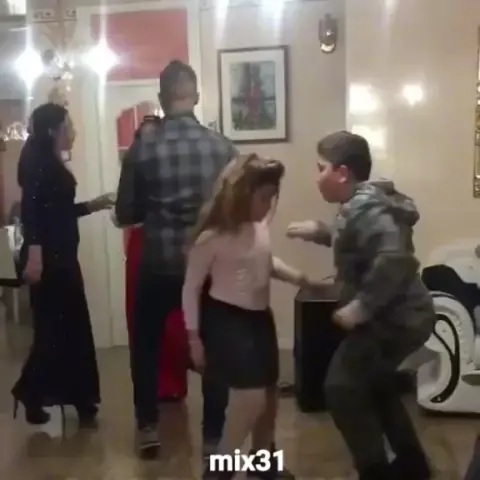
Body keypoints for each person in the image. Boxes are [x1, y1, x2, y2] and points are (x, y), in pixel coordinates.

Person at [287, 131, 434, 480]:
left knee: (342, 388)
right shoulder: (362, 204)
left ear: (342, 173)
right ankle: (412, 465)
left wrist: (361, 308)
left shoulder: (367, 207)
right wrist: (321, 232)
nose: (316, 177)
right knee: (376, 384)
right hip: (402, 315)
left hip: (395, 320)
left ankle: (374, 471)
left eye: (321, 168)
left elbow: (395, 258)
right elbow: (362, 240)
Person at [115, 60, 234, 455]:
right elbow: (236, 212)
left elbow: (126, 212)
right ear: (195, 96)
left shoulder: (143, 147)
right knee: (214, 345)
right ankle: (213, 436)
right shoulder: (223, 148)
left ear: (162, 99)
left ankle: (149, 427)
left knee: (146, 345)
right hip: (208, 268)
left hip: (158, 264)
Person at [184, 154, 322, 480]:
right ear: (243, 194)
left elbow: (266, 262)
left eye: (272, 197)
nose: (268, 205)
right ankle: (220, 469)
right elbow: (190, 287)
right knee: (249, 398)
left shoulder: (259, 229)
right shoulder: (212, 237)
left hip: (260, 319)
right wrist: (193, 338)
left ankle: (262, 462)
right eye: (263, 197)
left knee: (270, 396)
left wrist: (302, 279)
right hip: (226, 320)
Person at [12, 102, 113, 426]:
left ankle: (61, 397)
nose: (73, 131)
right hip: (51, 260)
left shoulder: (47, 160)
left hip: (61, 256)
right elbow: (32, 212)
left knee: (63, 329)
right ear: (52, 130)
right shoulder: (38, 162)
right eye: (68, 126)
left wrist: (92, 205)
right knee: (57, 330)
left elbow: (58, 211)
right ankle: (57, 396)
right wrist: (35, 255)